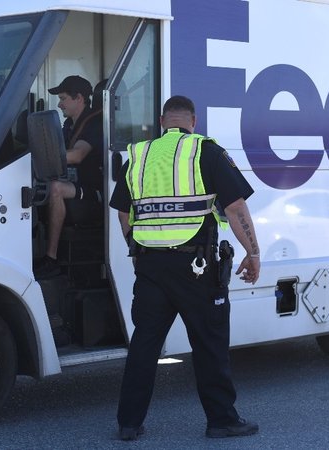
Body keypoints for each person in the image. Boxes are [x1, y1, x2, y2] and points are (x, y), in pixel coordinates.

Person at [109, 95, 261, 440]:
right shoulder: (205, 151)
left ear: (163, 121)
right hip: (197, 267)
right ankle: (221, 420)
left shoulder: (139, 156)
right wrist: (253, 253)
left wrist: (137, 249)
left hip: (150, 266)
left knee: (144, 344)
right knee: (209, 344)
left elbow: (123, 212)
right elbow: (235, 207)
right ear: (193, 122)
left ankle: (129, 424)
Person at [34, 75, 104, 279]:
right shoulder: (69, 125)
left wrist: (40, 156)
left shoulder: (94, 123)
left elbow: (77, 155)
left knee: (56, 188)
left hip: (96, 193)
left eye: (63, 98)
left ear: (79, 98)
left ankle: (51, 258)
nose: (59, 104)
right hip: (77, 185)